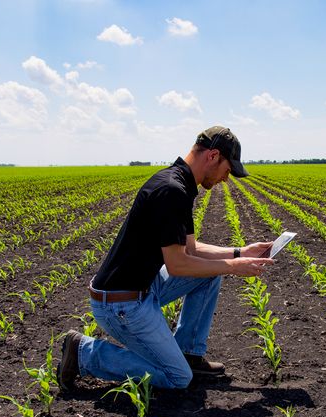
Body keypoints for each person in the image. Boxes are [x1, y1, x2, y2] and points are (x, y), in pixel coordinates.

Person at [57, 126, 275, 391]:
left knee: (208, 275)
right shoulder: (171, 190)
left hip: (140, 287)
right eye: (228, 170)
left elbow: (191, 250)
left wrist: (241, 252)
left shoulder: (179, 183)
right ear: (214, 156)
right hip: (121, 305)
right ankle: (83, 353)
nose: (226, 179)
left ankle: (188, 353)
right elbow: (178, 264)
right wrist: (234, 267)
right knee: (177, 378)